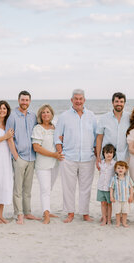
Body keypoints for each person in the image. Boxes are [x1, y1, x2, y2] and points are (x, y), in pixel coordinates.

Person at [54, 89, 97, 223]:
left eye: (80, 98)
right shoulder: (64, 116)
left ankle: (85, 213)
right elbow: (57, 137)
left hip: (88, 158)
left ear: (84, 100)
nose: (78, 101)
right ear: (72, 100)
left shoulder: (91, 116)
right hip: (69, 158)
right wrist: (60, 152)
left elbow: (96, 137)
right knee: (68, 187)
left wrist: (97, 155)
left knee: (86, 188)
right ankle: (70, 213)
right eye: (76, 98)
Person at [7, 90, 40, 224]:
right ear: (19, 100)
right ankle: (18, 213)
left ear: (30, 101)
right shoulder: (12, 116)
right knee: (18, 188)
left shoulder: (33, 116)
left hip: (32, 157)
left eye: (27, 100)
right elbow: (9, 137)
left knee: (28, 188)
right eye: (22, 100)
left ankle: (27, 213)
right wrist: (15, 156)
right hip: (19, 157)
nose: (24, 102)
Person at [31, 104, 64, 224]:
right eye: (43, 112)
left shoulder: (54, 128)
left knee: (49, 188)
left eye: (48, 112)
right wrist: (53, 155)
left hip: (55, 164)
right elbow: (36, 148)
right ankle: (46, 215)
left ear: (52, 114)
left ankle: (48, 210)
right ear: (40, 115)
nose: (46, 114)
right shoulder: (38, 129)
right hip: (43, 164)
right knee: (44, 189)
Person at [96, 92, 130, 170]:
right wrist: (98, 157)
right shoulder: (104, 118)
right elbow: (99, 138)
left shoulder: (129, 117)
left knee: (122, 181)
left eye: (121, 102)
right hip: (107, 158)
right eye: (117, 101)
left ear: (124, 103)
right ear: (112, 102)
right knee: (106, 181)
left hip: (124, 158)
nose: (119, 104)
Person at [109, 161, 134, 228]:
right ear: (115, 169)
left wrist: (131, 196)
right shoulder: (114, 179)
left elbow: (131, 188)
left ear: (125, 169)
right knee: (117, 212)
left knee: (125, 211)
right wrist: (111, 196)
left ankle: (124, 222)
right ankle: (118, 223)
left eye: (122, 168)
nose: (120, 169)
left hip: (126, 199)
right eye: (118, 168)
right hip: (117, 199)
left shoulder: (128, 178)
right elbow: (111, 188)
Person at [96, 144, 116, 226]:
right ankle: (104, 219)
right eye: (107, 152)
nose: (109, 154)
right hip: (101, 187)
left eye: (111, 153)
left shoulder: (115, 164)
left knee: (109, 204)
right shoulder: (101, 163)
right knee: (103, 203)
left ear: (113, 154)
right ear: (103, 153)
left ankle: (109, 219)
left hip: (109, 188)